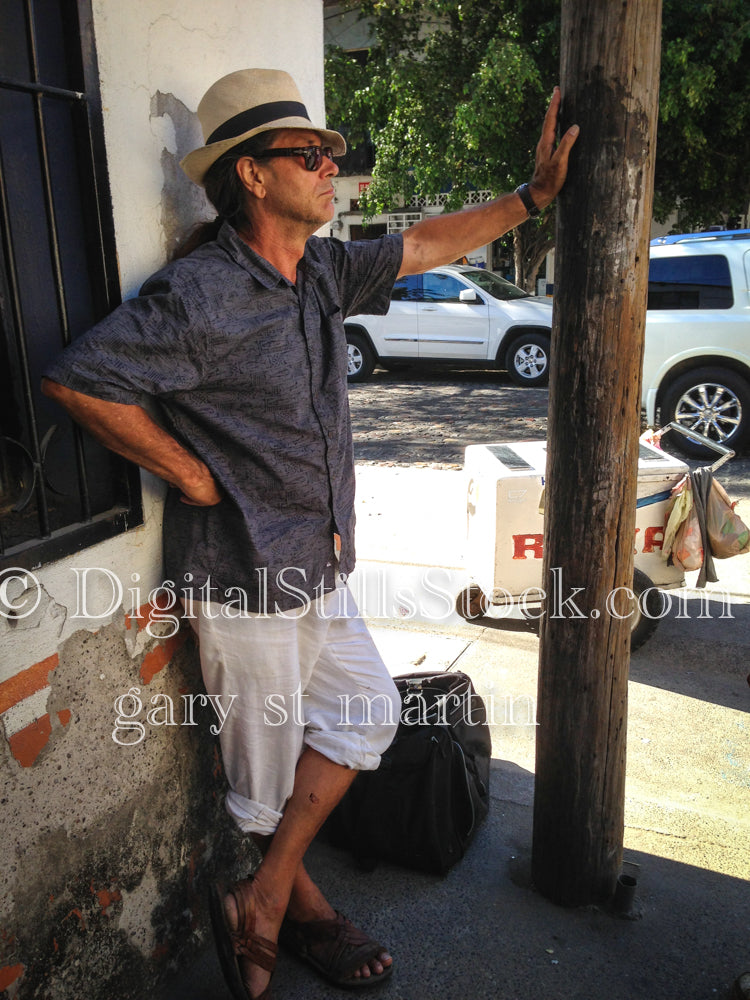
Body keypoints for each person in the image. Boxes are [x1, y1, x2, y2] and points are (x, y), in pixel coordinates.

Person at [42, 68, 578, 999]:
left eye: (330, 155)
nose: (332, 167)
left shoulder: (323, 272)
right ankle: (296, 913)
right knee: (260, 777)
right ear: (252, 176)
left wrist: (531, 198)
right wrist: (187, 471)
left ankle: (269, 892)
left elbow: (424, 243)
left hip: (320, 569)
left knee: (369, 709)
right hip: (243, 583)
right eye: (309, 155)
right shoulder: (202, 295)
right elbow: (79, 379)